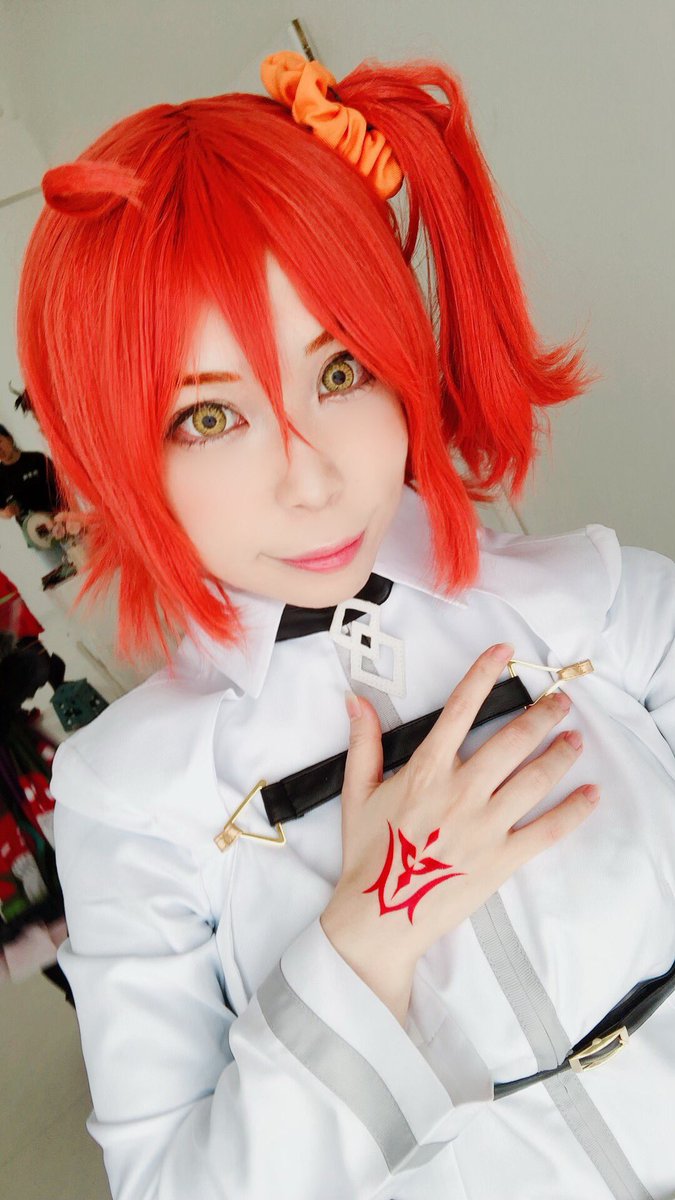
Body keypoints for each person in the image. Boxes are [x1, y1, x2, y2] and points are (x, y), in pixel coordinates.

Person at [16, 50, 675, 1200]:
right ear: (119, 450)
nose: (312, 479)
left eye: (341, 370)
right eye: (209, 416)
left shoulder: (604, 605)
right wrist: (370, 935)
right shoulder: (135, 798)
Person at [0, 425, 60, 522]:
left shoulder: (37, 459)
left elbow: (62, 487)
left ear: (9, 438)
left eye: (0, 441)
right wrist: (6, 512)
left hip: (61, 517)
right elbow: (2, 511)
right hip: (33, 527)